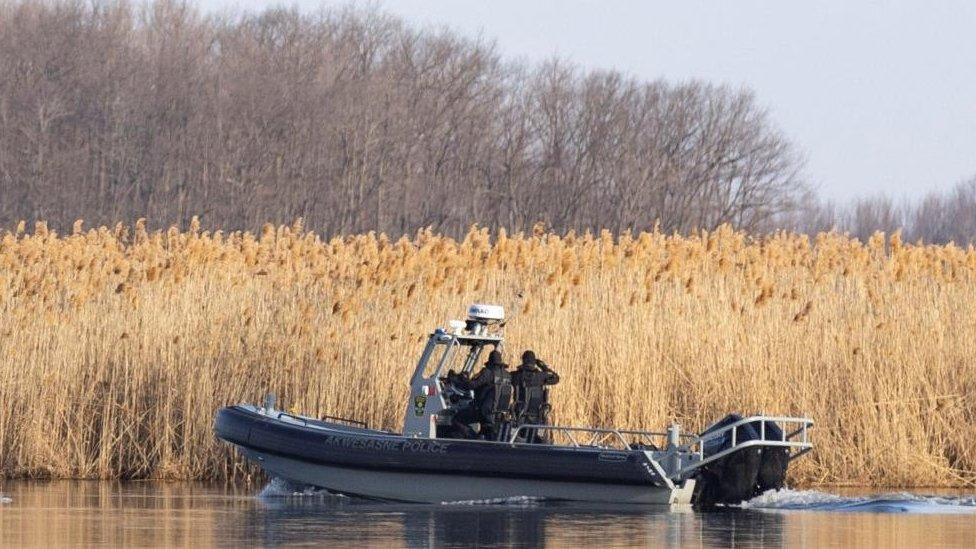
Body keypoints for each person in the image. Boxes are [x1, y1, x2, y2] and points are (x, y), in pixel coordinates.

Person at [512, 350, 559, 443]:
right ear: (534, 362)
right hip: (537, 418)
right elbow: (556, 378)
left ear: (523, 360)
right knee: (536, 438)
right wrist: (543, 366)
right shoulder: (541, 376)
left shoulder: (516, 376)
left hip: (519, 417)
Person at [467, 349, 514, 441]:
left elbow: (472, 385)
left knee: (457, 418)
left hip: (484, 412)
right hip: (499, 414)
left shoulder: (488, 373)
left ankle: (473, 438)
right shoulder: (507, 375)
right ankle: (480, 437)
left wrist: (463, 380)